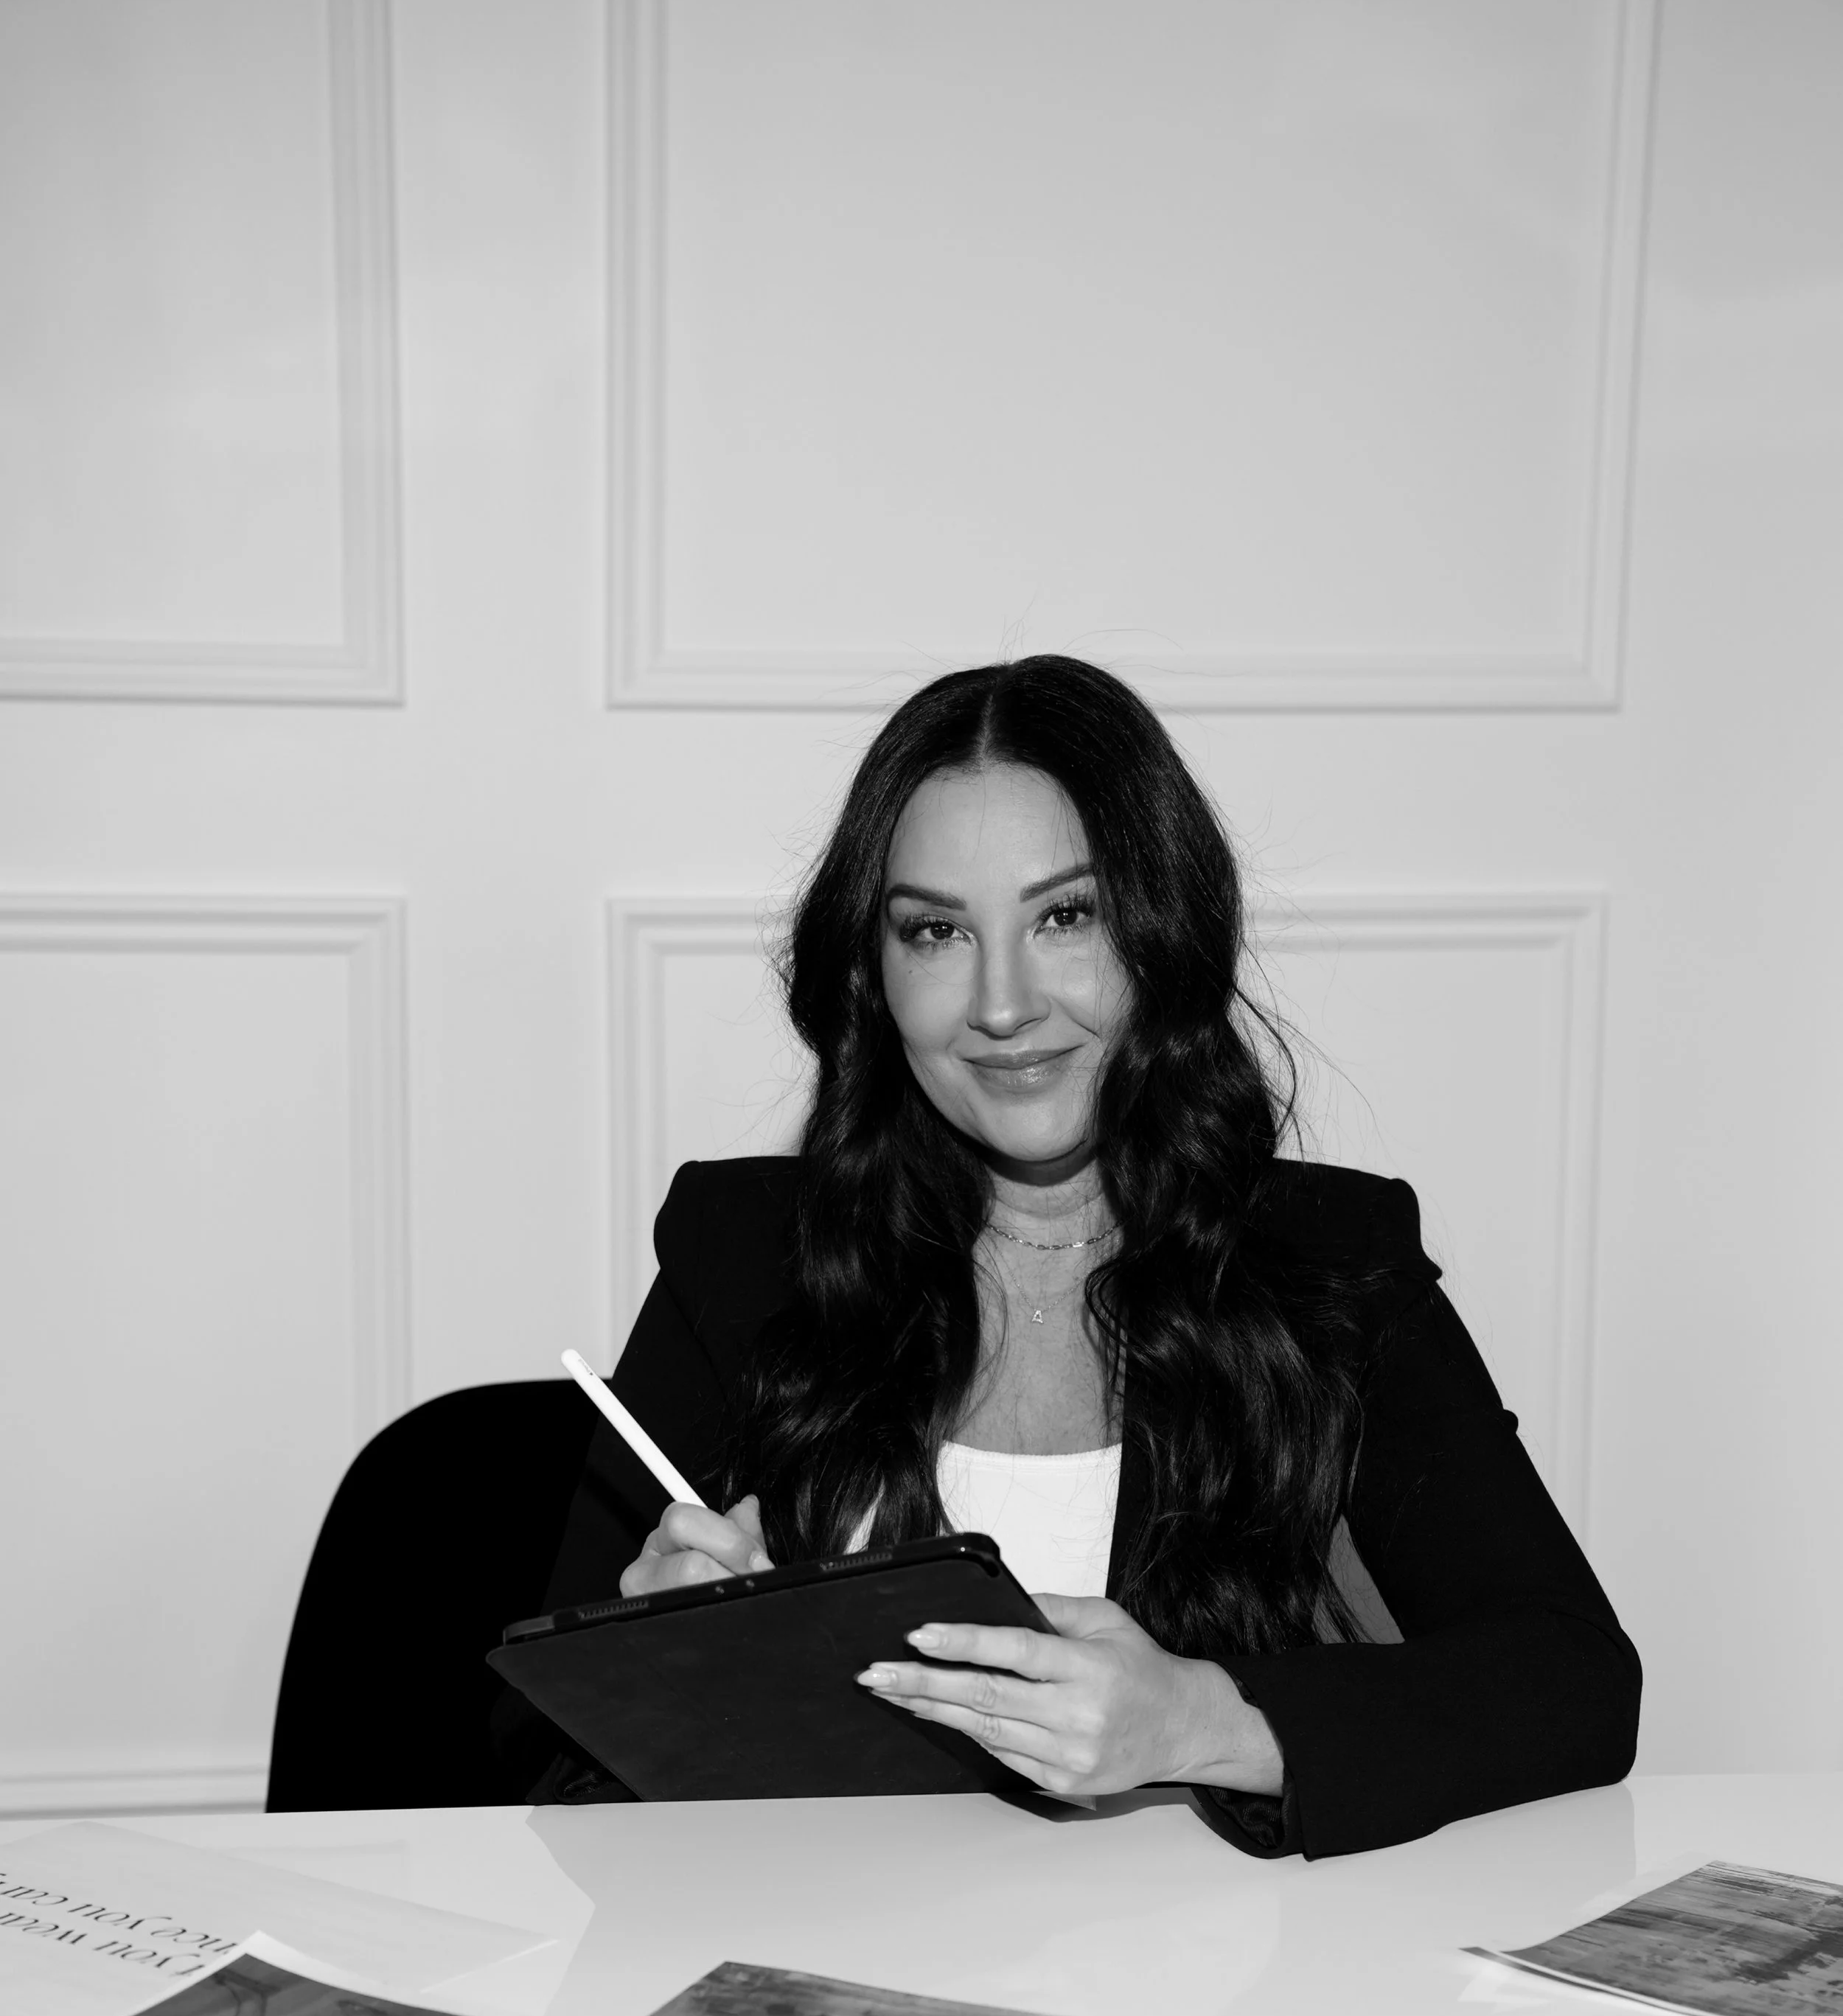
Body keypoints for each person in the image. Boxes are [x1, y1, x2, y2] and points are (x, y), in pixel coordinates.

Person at [524, 656, 1640, 1858]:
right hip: (848, 1991)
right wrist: (663, 1671)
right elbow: (533, 1745)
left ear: (1164, 932)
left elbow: (1575, 1682)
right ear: (874, 971)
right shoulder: (741, 1255)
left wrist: (1207, 1721)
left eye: (1067, 916)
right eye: (937, 930)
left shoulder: (1329, 1263)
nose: (1002, 1004)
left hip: (1240, 2005)